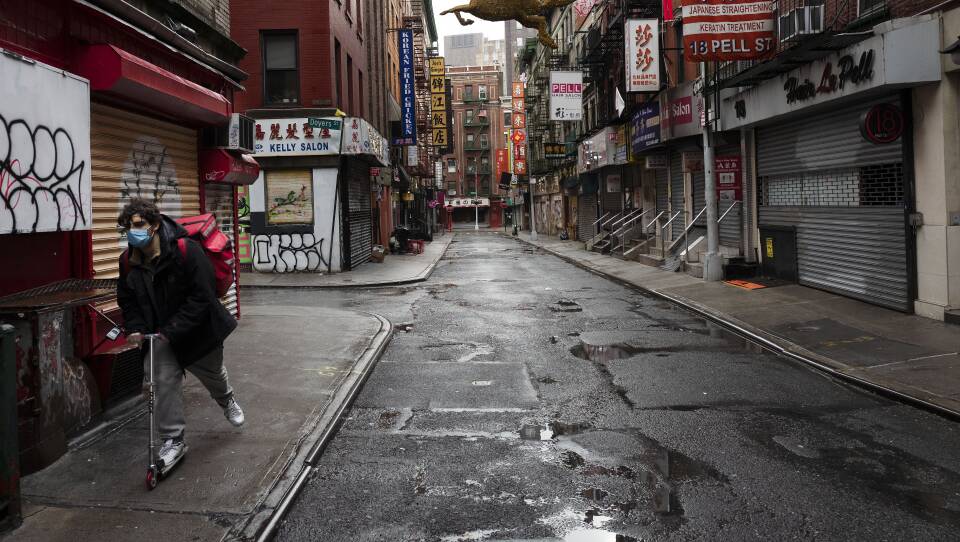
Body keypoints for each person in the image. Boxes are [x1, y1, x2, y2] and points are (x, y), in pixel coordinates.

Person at [116, 198, 243, 468]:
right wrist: (136, 328)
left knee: (214, 376)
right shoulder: (128, 260)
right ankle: (173, 440)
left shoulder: (186, 250)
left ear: (155, 224)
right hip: (161, 336)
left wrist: (173, 330)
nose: (133, 231)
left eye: (139, 224)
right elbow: (127, 299)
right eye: (128, 226)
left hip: (198, 331)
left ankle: (227, 399)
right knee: (160, 383)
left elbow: (203, 296)